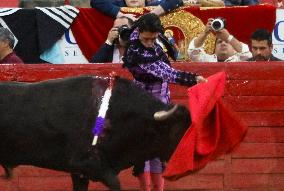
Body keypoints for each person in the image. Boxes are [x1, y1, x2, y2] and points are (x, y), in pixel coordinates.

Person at [122, 13, 207, 191]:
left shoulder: (156, 38)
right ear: (139, 31)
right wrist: (193, 78)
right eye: (146, 38)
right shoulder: (136, 50)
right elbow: (167, 73)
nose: (149, 43)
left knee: (159, 149)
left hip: (162, 99)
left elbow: (169, 63)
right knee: (144, 148)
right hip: (143, 103)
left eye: (152, 38)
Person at [187, 18, 252, 62]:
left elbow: (246, 54)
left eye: (227, 42)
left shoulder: (238, 60)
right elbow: (192, 52)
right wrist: (205, 33)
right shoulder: (207, 60)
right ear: (214, 48)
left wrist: (228, 37)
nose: (223, 44)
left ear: (234, 49)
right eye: (219, 42)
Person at [90, 0, 184, 19]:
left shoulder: (154, 5)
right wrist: (121, 14)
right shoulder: (120, 5)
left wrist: (151, 15)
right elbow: (95, 1)